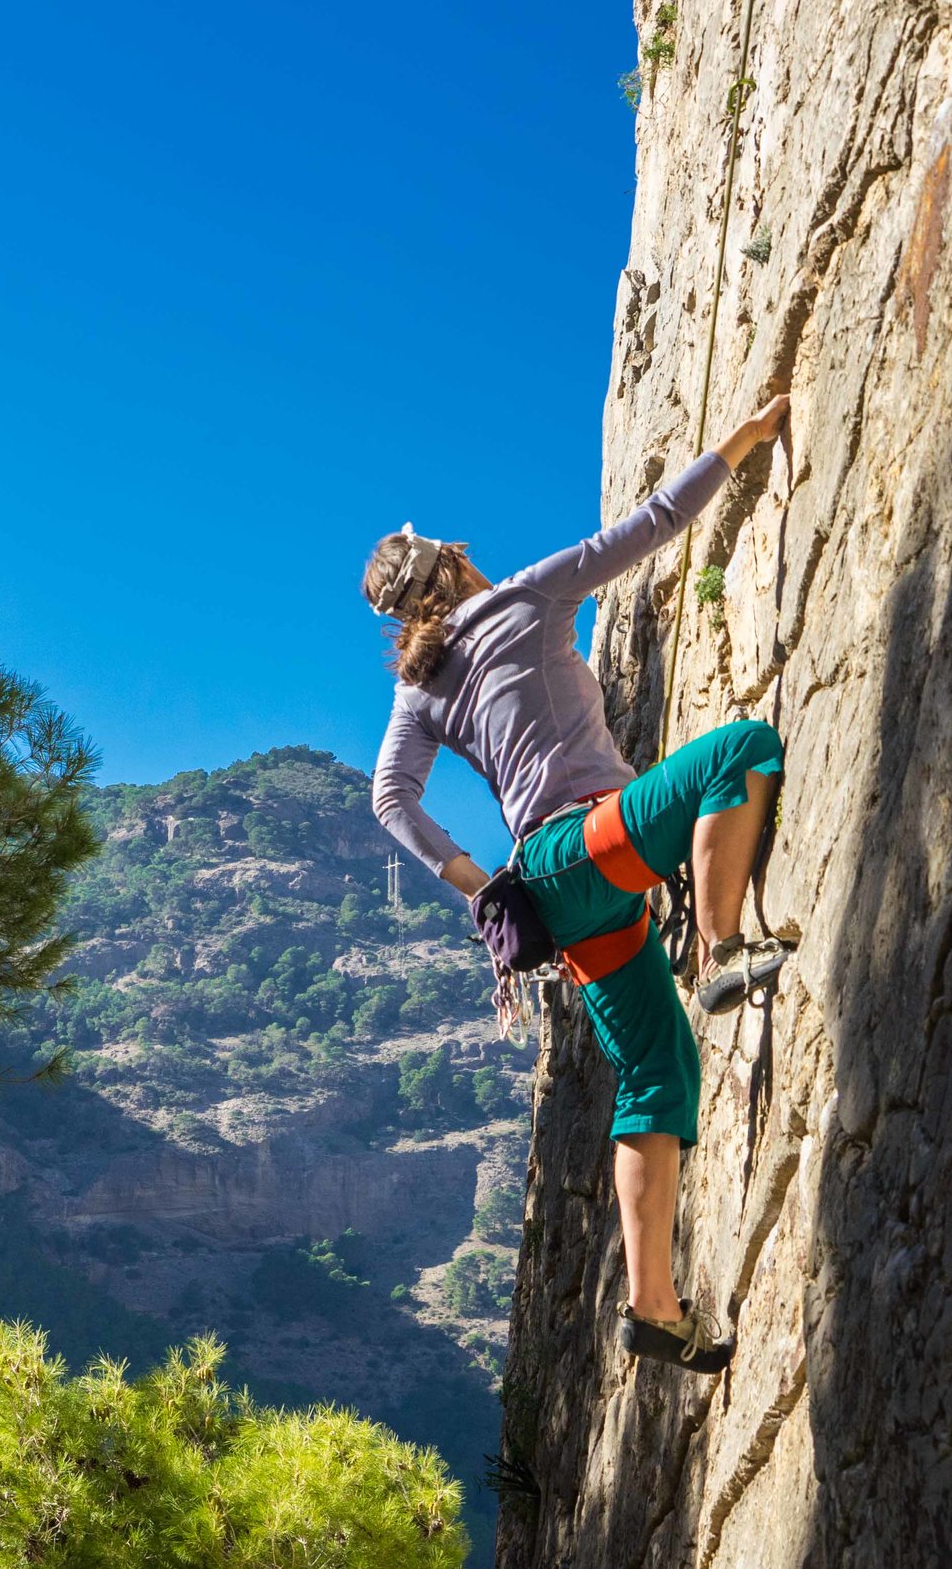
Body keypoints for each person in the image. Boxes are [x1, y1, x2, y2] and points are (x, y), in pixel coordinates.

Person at [361, 395, 793, 1377]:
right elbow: (647, 526)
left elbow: (389, 800)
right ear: (453, 563)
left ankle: (653, 1305)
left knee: (654, 1073)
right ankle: (723, 946)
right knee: (741, 748)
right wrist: (741, 437)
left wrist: (477, 885)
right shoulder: (517, 596)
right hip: (584, 850)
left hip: (552, 898)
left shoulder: (417, 691)